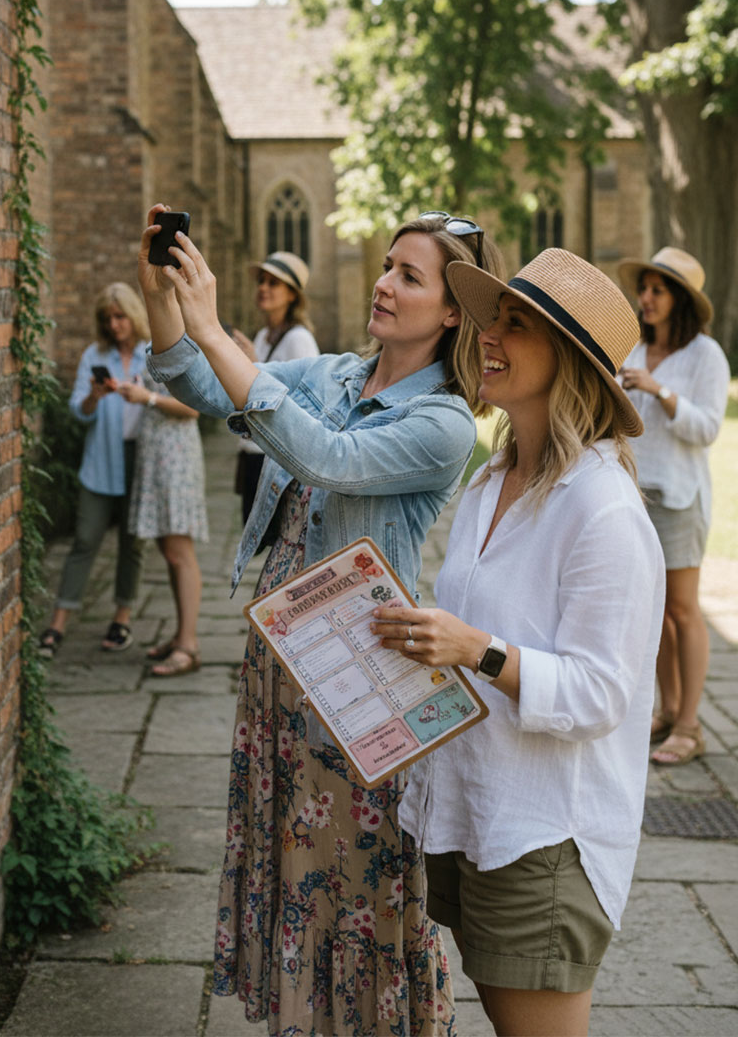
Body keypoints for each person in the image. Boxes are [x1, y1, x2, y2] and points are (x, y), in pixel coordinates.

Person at [137, 202, 505, 1037]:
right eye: (386, 264)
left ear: (453, 310)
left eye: (408, 276)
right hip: (281, 665)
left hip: (361, 679)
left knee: (355, 878)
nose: (382, 283)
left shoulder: (443, 422)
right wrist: (165, 293)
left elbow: (322, 457)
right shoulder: (338, 374)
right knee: (294, 862)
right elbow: (195, 380)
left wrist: (210, 326)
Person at [371, 248, 664, 1037]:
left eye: (516, 323)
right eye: (494, 316)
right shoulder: (491, 473)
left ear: (568, 358)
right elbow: (475, 630)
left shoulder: (603, 511)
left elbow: (602, 694)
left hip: (545, 835)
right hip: (473, 806)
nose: (489, 335)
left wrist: (476, 649)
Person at [617, 247, 730, 767]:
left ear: (679, 300)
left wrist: (660, 391)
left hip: (680, 500)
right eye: (644, 289)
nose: (645, 299)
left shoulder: (705, 355)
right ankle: (667, 710)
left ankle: (691, 727)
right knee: (655, 614)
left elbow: (707, 428)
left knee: (684, 612)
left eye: (657, 291)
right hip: (634, 494)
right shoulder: (634, 350)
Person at [38, 283, 150, 657]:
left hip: (141, 459)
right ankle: (58, 622)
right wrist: (93, 397)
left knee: (132, 544)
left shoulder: (151, 354)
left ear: (133, 315)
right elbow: (77, 412)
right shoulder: (94, 355)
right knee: (85, 540)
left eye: (120, 317)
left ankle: (122, 618)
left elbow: (169, 402)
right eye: (108, 319)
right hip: (100, 461)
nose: (115, 325)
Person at [120, 361, 210, 677]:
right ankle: (181, 635)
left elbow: (193, 408)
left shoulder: (184, 350)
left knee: (179, 553)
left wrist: (147, 398)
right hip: (157, 453)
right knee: (169, 553)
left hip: (176, 457)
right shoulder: (155, 344)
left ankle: (189, 646)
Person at [232, 251, 319, 522]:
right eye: (261, 281)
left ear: (292, 294)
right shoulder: (262, 336)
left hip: (278, 464)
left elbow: (310, 406)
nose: (263, 288)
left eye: (273, 283)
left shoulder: (299, 340)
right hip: (253, 455)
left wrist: (255, 364)